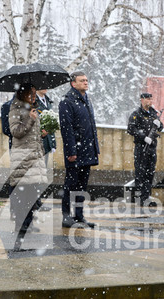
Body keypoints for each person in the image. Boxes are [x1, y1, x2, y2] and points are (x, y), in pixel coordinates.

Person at [7, 83, 48, 246]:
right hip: (23, 159)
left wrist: (41, 132)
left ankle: (27, 227)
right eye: (30, 93)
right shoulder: (16, 109)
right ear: (22, 93)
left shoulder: (33, 109)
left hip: (35, 158)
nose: (33, 96)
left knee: (32, 195)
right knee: (23, 197)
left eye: (34, 92)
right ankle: (20, 230)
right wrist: (30, 120)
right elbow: (16, 132)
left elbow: (31, 135)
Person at [59, 71, 99, 229]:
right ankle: (66, 215)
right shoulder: (67, 101)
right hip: (76, 152)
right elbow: (66, 128)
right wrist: (71, 151)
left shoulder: (86, 100)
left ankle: (79, 215)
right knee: (70, 185)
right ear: (73, 84)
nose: (86, 82)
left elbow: (91, 126)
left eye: (87, 80)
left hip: (88, 150)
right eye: (82, 80)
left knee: (82, 185)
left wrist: (95, 148)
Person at [127, 92, 163, 206]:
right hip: (141, 147)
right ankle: (139, 199)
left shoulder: (153, 114)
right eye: (147, 99)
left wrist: (159, 124)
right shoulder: (136, 114)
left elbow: (161, 127)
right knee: (140, 174)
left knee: (149, 174)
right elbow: (131, 129)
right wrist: (143, 137)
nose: (150, 101)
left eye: (151, 99)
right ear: (142, 100)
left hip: (152, 147)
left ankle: (146, 198)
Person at [35, 89, 56, 212]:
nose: (46, 87)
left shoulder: (47, 101)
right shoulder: (34, 101)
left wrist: (53, 143)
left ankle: (38, 200)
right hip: (38, 143)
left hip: (46, 143)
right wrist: (40, 132)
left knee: (42, 174)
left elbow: (51, 124)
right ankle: (35, 201)